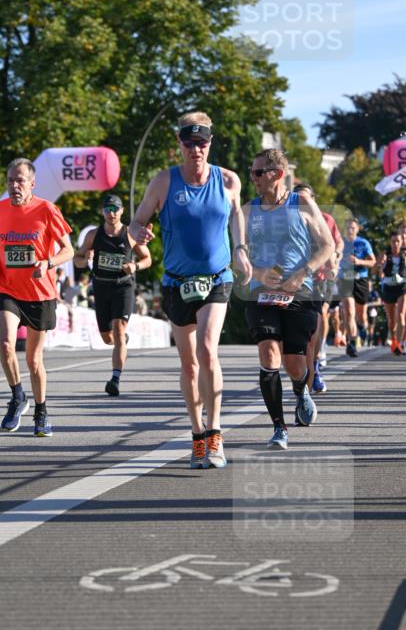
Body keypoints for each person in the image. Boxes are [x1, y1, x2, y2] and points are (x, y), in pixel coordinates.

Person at [130, 111, 252, 469]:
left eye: (201, 143)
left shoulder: (228, 180)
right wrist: (138, 234)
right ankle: (197, 432)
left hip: (216, 278)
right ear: (179, 143)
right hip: (177, 282)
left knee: (207, 349)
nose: (195, 150)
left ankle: (215, 433)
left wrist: (240, 249)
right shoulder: (163, 182)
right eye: (189, 142)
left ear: (210, 143)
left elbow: (236, 216)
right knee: (189, 364)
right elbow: (135, 223)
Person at [242, 149, 334, 450]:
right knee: (269, 355)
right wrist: (257, 271)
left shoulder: (302, 203)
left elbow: (327, 246)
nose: (253, 178)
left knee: (295, 364)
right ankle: (278, 427)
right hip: (260, 292)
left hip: (299, 291)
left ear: (278, 174)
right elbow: (235, 255)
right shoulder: (247, 211)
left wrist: (302, 272)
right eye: (252, 172)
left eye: (259, 172)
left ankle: (301, 390)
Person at [0, 157, 73, 436]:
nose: (14, 186)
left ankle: (41, 410)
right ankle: (17, 396)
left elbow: (69, 250)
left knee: (34, 361)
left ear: (32, 184)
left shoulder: (47, 210)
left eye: (20, 181)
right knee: (6, 345)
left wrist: (48, 263)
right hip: (8, 288)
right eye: (10, 180)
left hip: (39, 292)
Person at [74, 192, 152, 396]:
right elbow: (77, 260)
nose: (112, 213)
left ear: (122, 211)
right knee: (107, 338)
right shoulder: (93, 235)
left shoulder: (130, 234)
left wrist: (135, 266)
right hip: (101, 288)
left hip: (123, 287)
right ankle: (121, 340)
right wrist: (85, 258)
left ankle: (115, 379)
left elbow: (147, 259)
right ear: (103, 212)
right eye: (108, 209)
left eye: (115, 209)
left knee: (118, 330)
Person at [293, 183, 343, 394]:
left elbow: (337, 244)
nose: (302, 202)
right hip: (295, 280)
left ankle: (315, 365)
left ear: (313, 200)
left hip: (320, 278)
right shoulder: (287, 220)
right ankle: (304, 364)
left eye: (306, 198)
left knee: (319, 318)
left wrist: (335, 260)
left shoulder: (326, 219)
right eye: (298, 198)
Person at [337, 218, 375, 357]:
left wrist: (358, 261)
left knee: (361, 316)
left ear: (357, 229)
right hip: (345, 280)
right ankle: (351, 343)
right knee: (348, 312)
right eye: (348, 227)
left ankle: (361, 326)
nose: (350, 230)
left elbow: (373, 262)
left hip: (361, 280)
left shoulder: (363, 243)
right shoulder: (340, 242)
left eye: (353, 228)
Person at [378, 230, 406, 355]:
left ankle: (400, 343)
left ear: (402, 242)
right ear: (390, 242)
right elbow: (378, 272)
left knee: (401, 315)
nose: (396, 244)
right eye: (393, 241)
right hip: (389, 287)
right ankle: (394, 341)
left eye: (398, 241)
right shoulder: (384, 255)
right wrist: (381, 266)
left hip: (403, 287)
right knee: (391, 321)